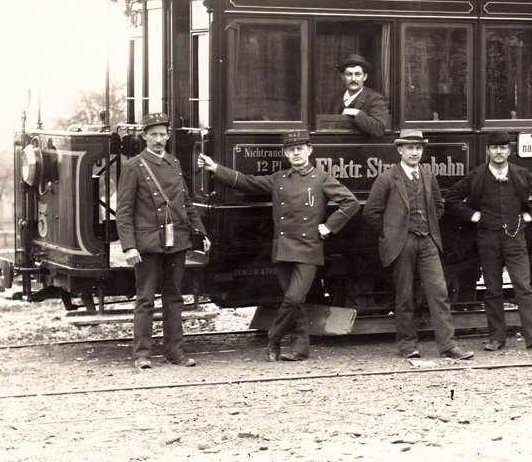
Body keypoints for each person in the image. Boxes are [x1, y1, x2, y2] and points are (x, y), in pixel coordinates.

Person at [197, 131, 358, 361]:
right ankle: (300, 349)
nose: (296, 154)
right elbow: (248, 182)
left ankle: (274, 339)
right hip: (282, 249)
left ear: (309, 150)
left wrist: (329, 227)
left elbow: (350, 203)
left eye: (300, 149)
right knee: (297, 301)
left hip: (308, 250)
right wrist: (216, 168)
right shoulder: (279, 178)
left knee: (293, 299)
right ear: (285, 154)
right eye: (291, 150)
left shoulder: (322, 178)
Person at [362, 130, 474, 360]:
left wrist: (428, 228)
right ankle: (407, 345)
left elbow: (438, 207)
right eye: (410, 148)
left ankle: (448, 346)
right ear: (399, 150)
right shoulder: (386, 178)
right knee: (404, 295)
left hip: (427, 241)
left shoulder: (428, 175)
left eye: (418, 148)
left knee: (439, 292)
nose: (414, 152)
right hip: (402, 243)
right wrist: (392, 231)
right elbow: (370, 213)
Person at [445, 131, 532, 354]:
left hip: (515, 239)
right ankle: (496, 338)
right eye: (494, 148)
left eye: (503, 148)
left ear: (509, 151)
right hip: (487, 239)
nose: (498, 152)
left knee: (524, 288)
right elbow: (452, 196)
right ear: (488, 151)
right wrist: (470, 215)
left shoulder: (520, 173)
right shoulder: (477, 175)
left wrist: (531, 215)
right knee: (493, 290)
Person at [117, 112, 208, 370]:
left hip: (176, 240)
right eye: (153, 134)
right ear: (144, 136)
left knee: (174, 298)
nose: (158, 139)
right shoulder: (133, 166)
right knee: (145, 299)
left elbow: (186, 203)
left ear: (168, 136)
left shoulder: (174, 163)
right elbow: (124, 210)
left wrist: (200, 232)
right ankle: (142, 355)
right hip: (147, 243)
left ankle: (175, 353)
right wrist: (129, 245)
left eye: (162, 134)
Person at [332, 54, 391, 138]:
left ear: (365, 77)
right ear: (343, 77)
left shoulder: (375, 99)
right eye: (349, 74)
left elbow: (379, 129)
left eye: (357, 74)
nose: (353, 79)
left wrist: (356, 113)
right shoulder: (336, 99)